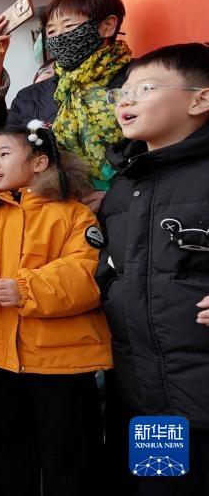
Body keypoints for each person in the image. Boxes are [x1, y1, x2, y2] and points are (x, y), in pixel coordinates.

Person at [0, 123, 111, 495]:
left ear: (39, 162)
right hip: (2, 355)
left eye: (4, 153)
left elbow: (86, 274)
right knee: (8, 450)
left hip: (63, 361)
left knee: (67, 454)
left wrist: (25, 289)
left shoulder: (73, 214)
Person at [97, 43, 209, 496]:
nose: (127, 101)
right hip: (144, 395)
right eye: (122, 93)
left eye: (145, 88)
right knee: (159, 484)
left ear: (200, 99)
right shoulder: (124, 185)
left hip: (200, 391)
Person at [0, 0, 130, 203]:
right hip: (59, 215)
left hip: (131, 209)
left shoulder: (136, 80)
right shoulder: (30, 97)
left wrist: (117, 198)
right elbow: (11, 154)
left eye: (68, 26)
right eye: (51, 31)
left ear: (107, 26)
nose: (58, 36)